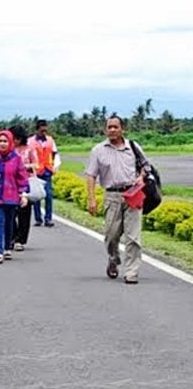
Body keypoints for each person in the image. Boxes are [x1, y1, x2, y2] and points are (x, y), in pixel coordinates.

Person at [86, 115, 147, 284]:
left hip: (133, 194)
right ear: (105, 130)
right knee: (111, 235)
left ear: (122, 129)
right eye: (109, 127)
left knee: (133, 236)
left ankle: (131, 271)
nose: (112, 130)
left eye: (116, 127)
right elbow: (91, 175)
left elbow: (146, 167)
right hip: (112, 196)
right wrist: (91, 199)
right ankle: (113, 258)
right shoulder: (98, 150)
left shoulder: (133, 147)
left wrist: (141, 177)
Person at [0, 131, 29, 263]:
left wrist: (23, 194)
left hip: (12, 197)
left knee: (9, 223)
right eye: (0, 141)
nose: (2, 144)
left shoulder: (16, 158)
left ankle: (7, 247)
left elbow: (22, 177)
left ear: (10, 142)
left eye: (5, 141)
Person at [9, 125, 39, 251]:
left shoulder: (29, 149)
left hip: (25, 183)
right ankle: (12, 236)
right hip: (10, 184)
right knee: (10, 212)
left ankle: (20, 240)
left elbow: (36, 164)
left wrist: (23, 166)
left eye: (17, 138)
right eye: (13, 138)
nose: (15, 141)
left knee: (24, 213)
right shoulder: (8, 149)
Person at [27, 119, 60, 227]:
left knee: (48, 195)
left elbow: (54, 153)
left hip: (47, 170)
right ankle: (38, 218)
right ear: (37, 130)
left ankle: (48, 218)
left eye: (45, 131)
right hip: (35, 171)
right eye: (42, 131)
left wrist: (54, 166)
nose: (44, 133)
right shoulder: (30, 141)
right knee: (36, 196)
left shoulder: (50, 140)